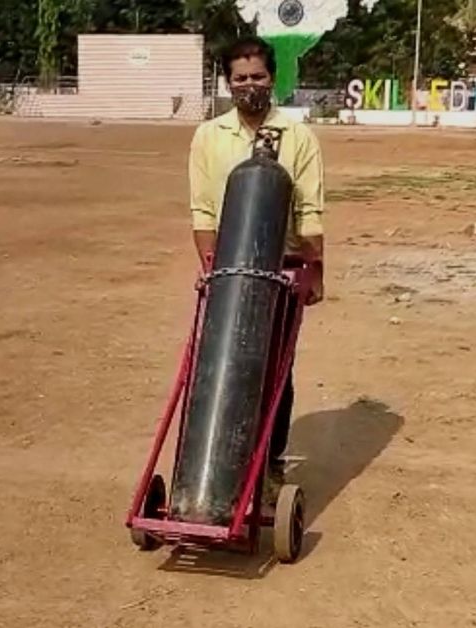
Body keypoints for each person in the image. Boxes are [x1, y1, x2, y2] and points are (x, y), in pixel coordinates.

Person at [188, 36, 325, 508]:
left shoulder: (298, 136)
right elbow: (204, 211)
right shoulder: (210, 136)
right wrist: (212, 270)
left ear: (274, 79)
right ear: (228, 83)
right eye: (240, 78)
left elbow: (310, 211)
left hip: (280, 269)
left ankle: (267, 467)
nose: (250, 86)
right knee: (220, 365)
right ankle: (214, 470)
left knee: (274, 373)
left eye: (258, 77)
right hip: (228, 269)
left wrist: (314, 271)